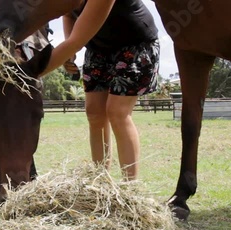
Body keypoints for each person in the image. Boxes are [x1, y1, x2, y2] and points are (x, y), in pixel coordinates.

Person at [39, 0, 160, 180]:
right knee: (94, 113)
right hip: (98, 49)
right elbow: (68, 13)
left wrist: (30, 73)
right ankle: (100, 183)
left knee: (117, 112)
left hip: (135, 44)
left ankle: (130, 188)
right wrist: (68, 53)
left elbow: (76, 42)